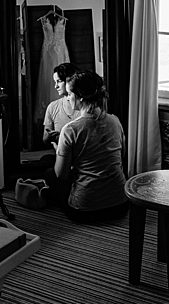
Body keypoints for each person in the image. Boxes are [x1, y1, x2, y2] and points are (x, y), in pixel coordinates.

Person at [52, 70, 128, 223]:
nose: (67, 98)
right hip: (121, 204)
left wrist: (58, 149)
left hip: (85, 210)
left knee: (50, 174)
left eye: (69, 94)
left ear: (79, 97)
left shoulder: (70, 129)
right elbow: (122, 156)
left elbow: (61, 174)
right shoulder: (115, 121)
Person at [42, 62, 79, 146]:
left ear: (70, 80)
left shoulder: (84, 105)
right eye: (55, 82)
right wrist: (52, 136)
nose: (56, 86)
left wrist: (64, 136)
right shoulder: (52, 107)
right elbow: (45, 139)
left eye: (59, 81)